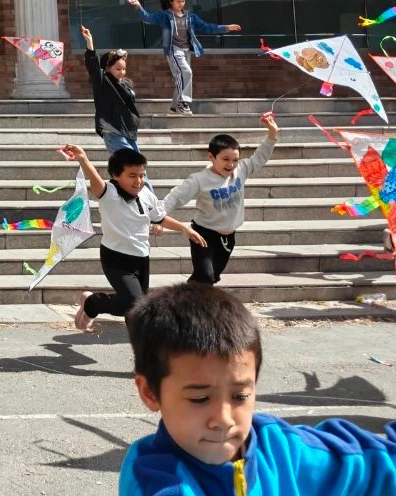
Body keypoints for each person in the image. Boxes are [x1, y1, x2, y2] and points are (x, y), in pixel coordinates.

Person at [120, 283, 396, 496]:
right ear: (150, 392)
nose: (224, 419)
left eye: (240, 396)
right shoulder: (157, 481)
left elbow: (375, 463)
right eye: (200, 398)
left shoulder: (280, 447)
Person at [64, 144, 206, 332]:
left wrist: (184, 228)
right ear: (116, 175)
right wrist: (83, 158)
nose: (138, 181)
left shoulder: (146, 194)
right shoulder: (108, 193)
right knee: (134, 303)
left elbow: (160, 218)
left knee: (136, 307)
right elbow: (94, 178)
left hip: (141, 257)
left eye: (141, 175)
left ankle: (132, 328)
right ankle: (93, 302)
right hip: (115, 257)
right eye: (132, 176)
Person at [160, 113, 278, 286]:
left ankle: (181, 299)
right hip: (203, 235)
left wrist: (272, 133)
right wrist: (158, 218)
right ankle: (183, 300)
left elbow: (260, 156)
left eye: (235, 160)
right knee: (206, 277)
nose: (231, 164)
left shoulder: (241, 170)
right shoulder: (199, 179)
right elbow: (175, 197)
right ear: (211, 157)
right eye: (225, 159)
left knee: (209, 278)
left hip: (228, 237)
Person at [127, 0, 240, 115]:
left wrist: (226, 27)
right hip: (173, 50)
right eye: (178, 1)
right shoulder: (164, 15)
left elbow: (206, 26)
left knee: (181, 77)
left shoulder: (190, 16)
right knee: (186, 72)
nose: (181, 4)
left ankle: (175, 107)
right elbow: (148, 18)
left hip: (186, 51)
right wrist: (139, 7)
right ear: (171, 1)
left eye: (183, 1)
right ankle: (183, 102)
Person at [81, 25, 141, 158]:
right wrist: (90, 42)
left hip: (127, 130)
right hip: (112, 129)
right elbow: (93, 66)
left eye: (124, 69)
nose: (122, 72)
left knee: (136, 164)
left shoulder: (126, 84)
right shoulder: (103, 81)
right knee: (129, 161)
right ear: (107, 68)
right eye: (118, 69)